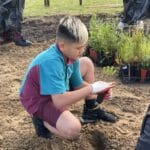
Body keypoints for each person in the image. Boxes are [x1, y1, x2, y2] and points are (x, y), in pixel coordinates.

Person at [19, 16, 117, 140]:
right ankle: (41, 121)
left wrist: (99, 90)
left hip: (54, 89)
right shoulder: (51, 63)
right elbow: (59, 101)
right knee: (73, 130)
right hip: (37, 98)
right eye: (78, 48)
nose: (82, 51)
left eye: (83, 46)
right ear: (62, 45)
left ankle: (92, 110)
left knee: (86, 62)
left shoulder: (71, 57)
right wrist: (91, 89)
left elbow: (78, 84)